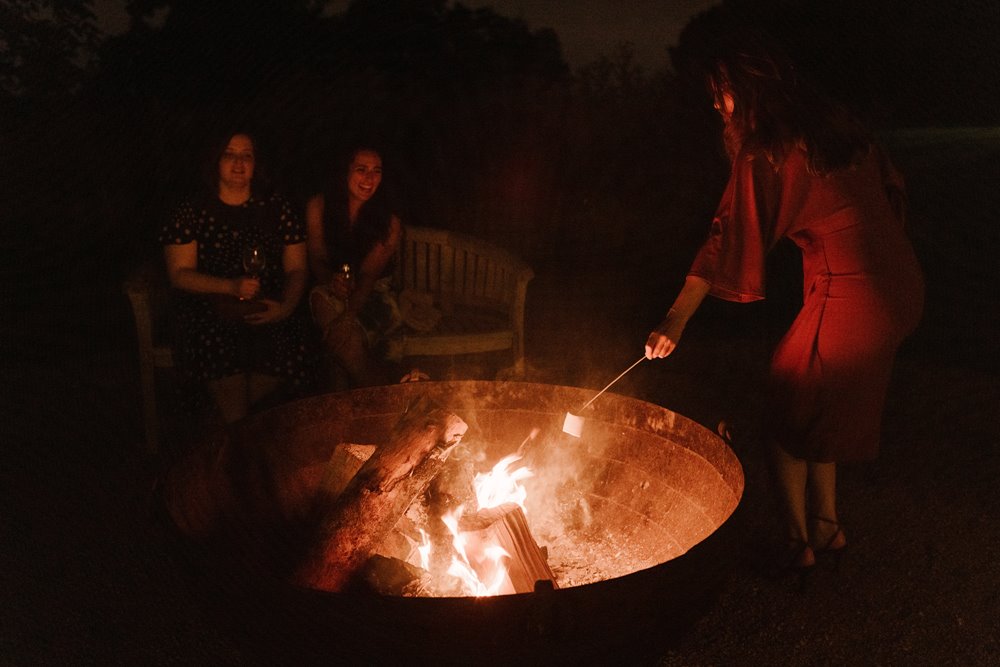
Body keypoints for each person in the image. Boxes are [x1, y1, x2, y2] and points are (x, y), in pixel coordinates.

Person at [645, 19, 924, 572]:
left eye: (721, 94)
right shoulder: (838, 129)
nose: (717, 107)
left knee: (782, 409)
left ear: (745, 91)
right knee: (815, 410)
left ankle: (799, 545)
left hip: (853, 294)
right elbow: (892, 188)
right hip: (900, 282)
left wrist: (674, 321)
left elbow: (724, 236)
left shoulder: (766, 151)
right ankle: (828, 528)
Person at [159, 130, 311, 425]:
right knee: (223, 354)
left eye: (246, 155)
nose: (239, 163)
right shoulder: (192, 210)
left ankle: (231, 425)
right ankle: (236, 442)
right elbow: (179, 274)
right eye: (230, 154)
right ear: (215, 160)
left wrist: (286, 307)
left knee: (293, 344)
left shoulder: (276, 207)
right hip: (208, 311)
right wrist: (230, 286)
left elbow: (297, 268)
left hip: (265, 308)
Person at [305, 145, 410, 388]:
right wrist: (331, 281)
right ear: (345, 171)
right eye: (361, 170)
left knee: (338, 336)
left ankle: (369, 402)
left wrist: (349, 316)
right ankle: (378, 403)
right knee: (320, 297)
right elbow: (317, 257)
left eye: (376, 171)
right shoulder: (319, 206)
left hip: (375, 295)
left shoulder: (388, 221)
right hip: (331, 287)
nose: (369, 179)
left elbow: (369, 276)